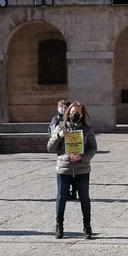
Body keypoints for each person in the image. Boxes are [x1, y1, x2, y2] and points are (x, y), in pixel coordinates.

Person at [47, 101, 98, 239]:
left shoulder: (87, 129)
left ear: (82, 114)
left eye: (78, 112)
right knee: (61, 198)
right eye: (73, 112)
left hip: (82, 169)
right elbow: (50, 148)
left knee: (85, 199)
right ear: (68, 112)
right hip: (64, 168)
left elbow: (93, 148)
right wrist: (59, 136)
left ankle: (87, 227)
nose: (76, 114)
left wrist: (83, 157)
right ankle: (59, 226)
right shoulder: (60, 127)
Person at [49, 100, 77, 201]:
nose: (63, 109)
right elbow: (52, 133)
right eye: (61, 107)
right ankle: (65, 192)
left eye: (65, 107)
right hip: (62, 149)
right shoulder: (56, 119)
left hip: (73, 147)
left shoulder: (72, 118)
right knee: (64, 171)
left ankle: (74, 192)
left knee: (74, 170)